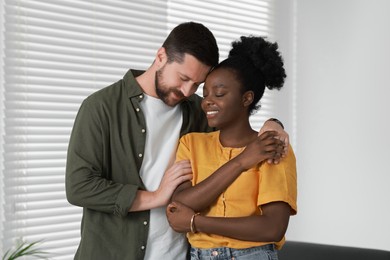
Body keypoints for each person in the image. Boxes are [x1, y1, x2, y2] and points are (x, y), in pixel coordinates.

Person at [66, 22, 289, 260]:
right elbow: (79, 187)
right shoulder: (101, 107)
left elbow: (237, 124)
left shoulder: (196, 110)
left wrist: (274, 123)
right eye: (183, 78)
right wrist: (155, 197)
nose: (187, 90)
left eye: (196, 84)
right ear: (161, 56)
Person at [166, 35, 297, 260]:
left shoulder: (272, 146)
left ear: (246, 99)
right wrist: (241, 162)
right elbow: (181, 202)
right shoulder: (191, 143)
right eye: (205, 93)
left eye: (219, 94)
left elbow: (272, 228)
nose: (207, 101)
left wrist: (195, 222)